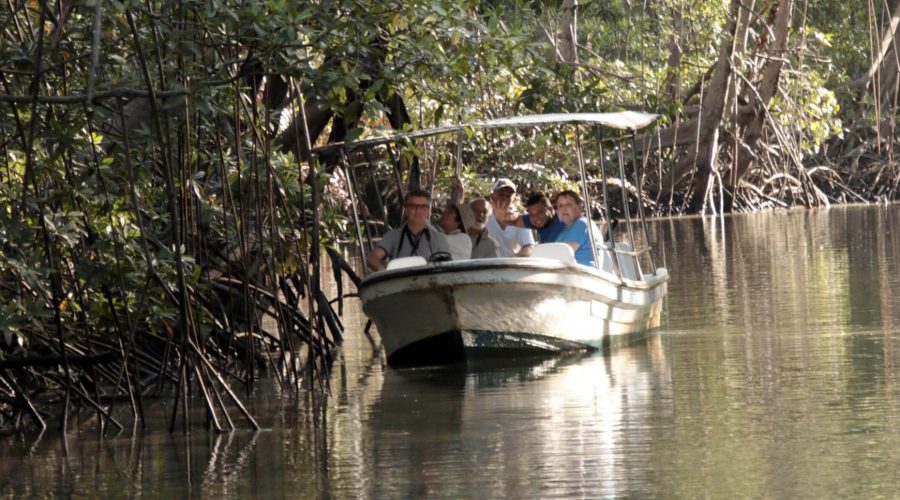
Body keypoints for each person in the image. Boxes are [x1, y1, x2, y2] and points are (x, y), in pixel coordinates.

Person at [366, 188, 451, 271]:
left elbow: (447, 268)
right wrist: (384, 272)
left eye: (422, 207)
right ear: (406, 210)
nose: (418, 211)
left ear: (427, 211)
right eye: (413, 206)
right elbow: (372, 258)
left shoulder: (439, 238)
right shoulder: (392, 236)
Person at [485, 178, 534, 257]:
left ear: (514, 199)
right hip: (487, 265)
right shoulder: (484, 214)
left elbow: (528, 247)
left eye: (508, 195)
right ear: (492, 197)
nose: (504, 198)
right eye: (501, 194)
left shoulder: (521, 217)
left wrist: (512, 260)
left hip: (511, 266)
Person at [554, 189, 603, 267]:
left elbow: (562, 254)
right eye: (560, 206)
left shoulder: (582, 223)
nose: (564, 209)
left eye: (568, 204)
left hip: (583, 274)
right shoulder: (565, 230)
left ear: (579, 206)